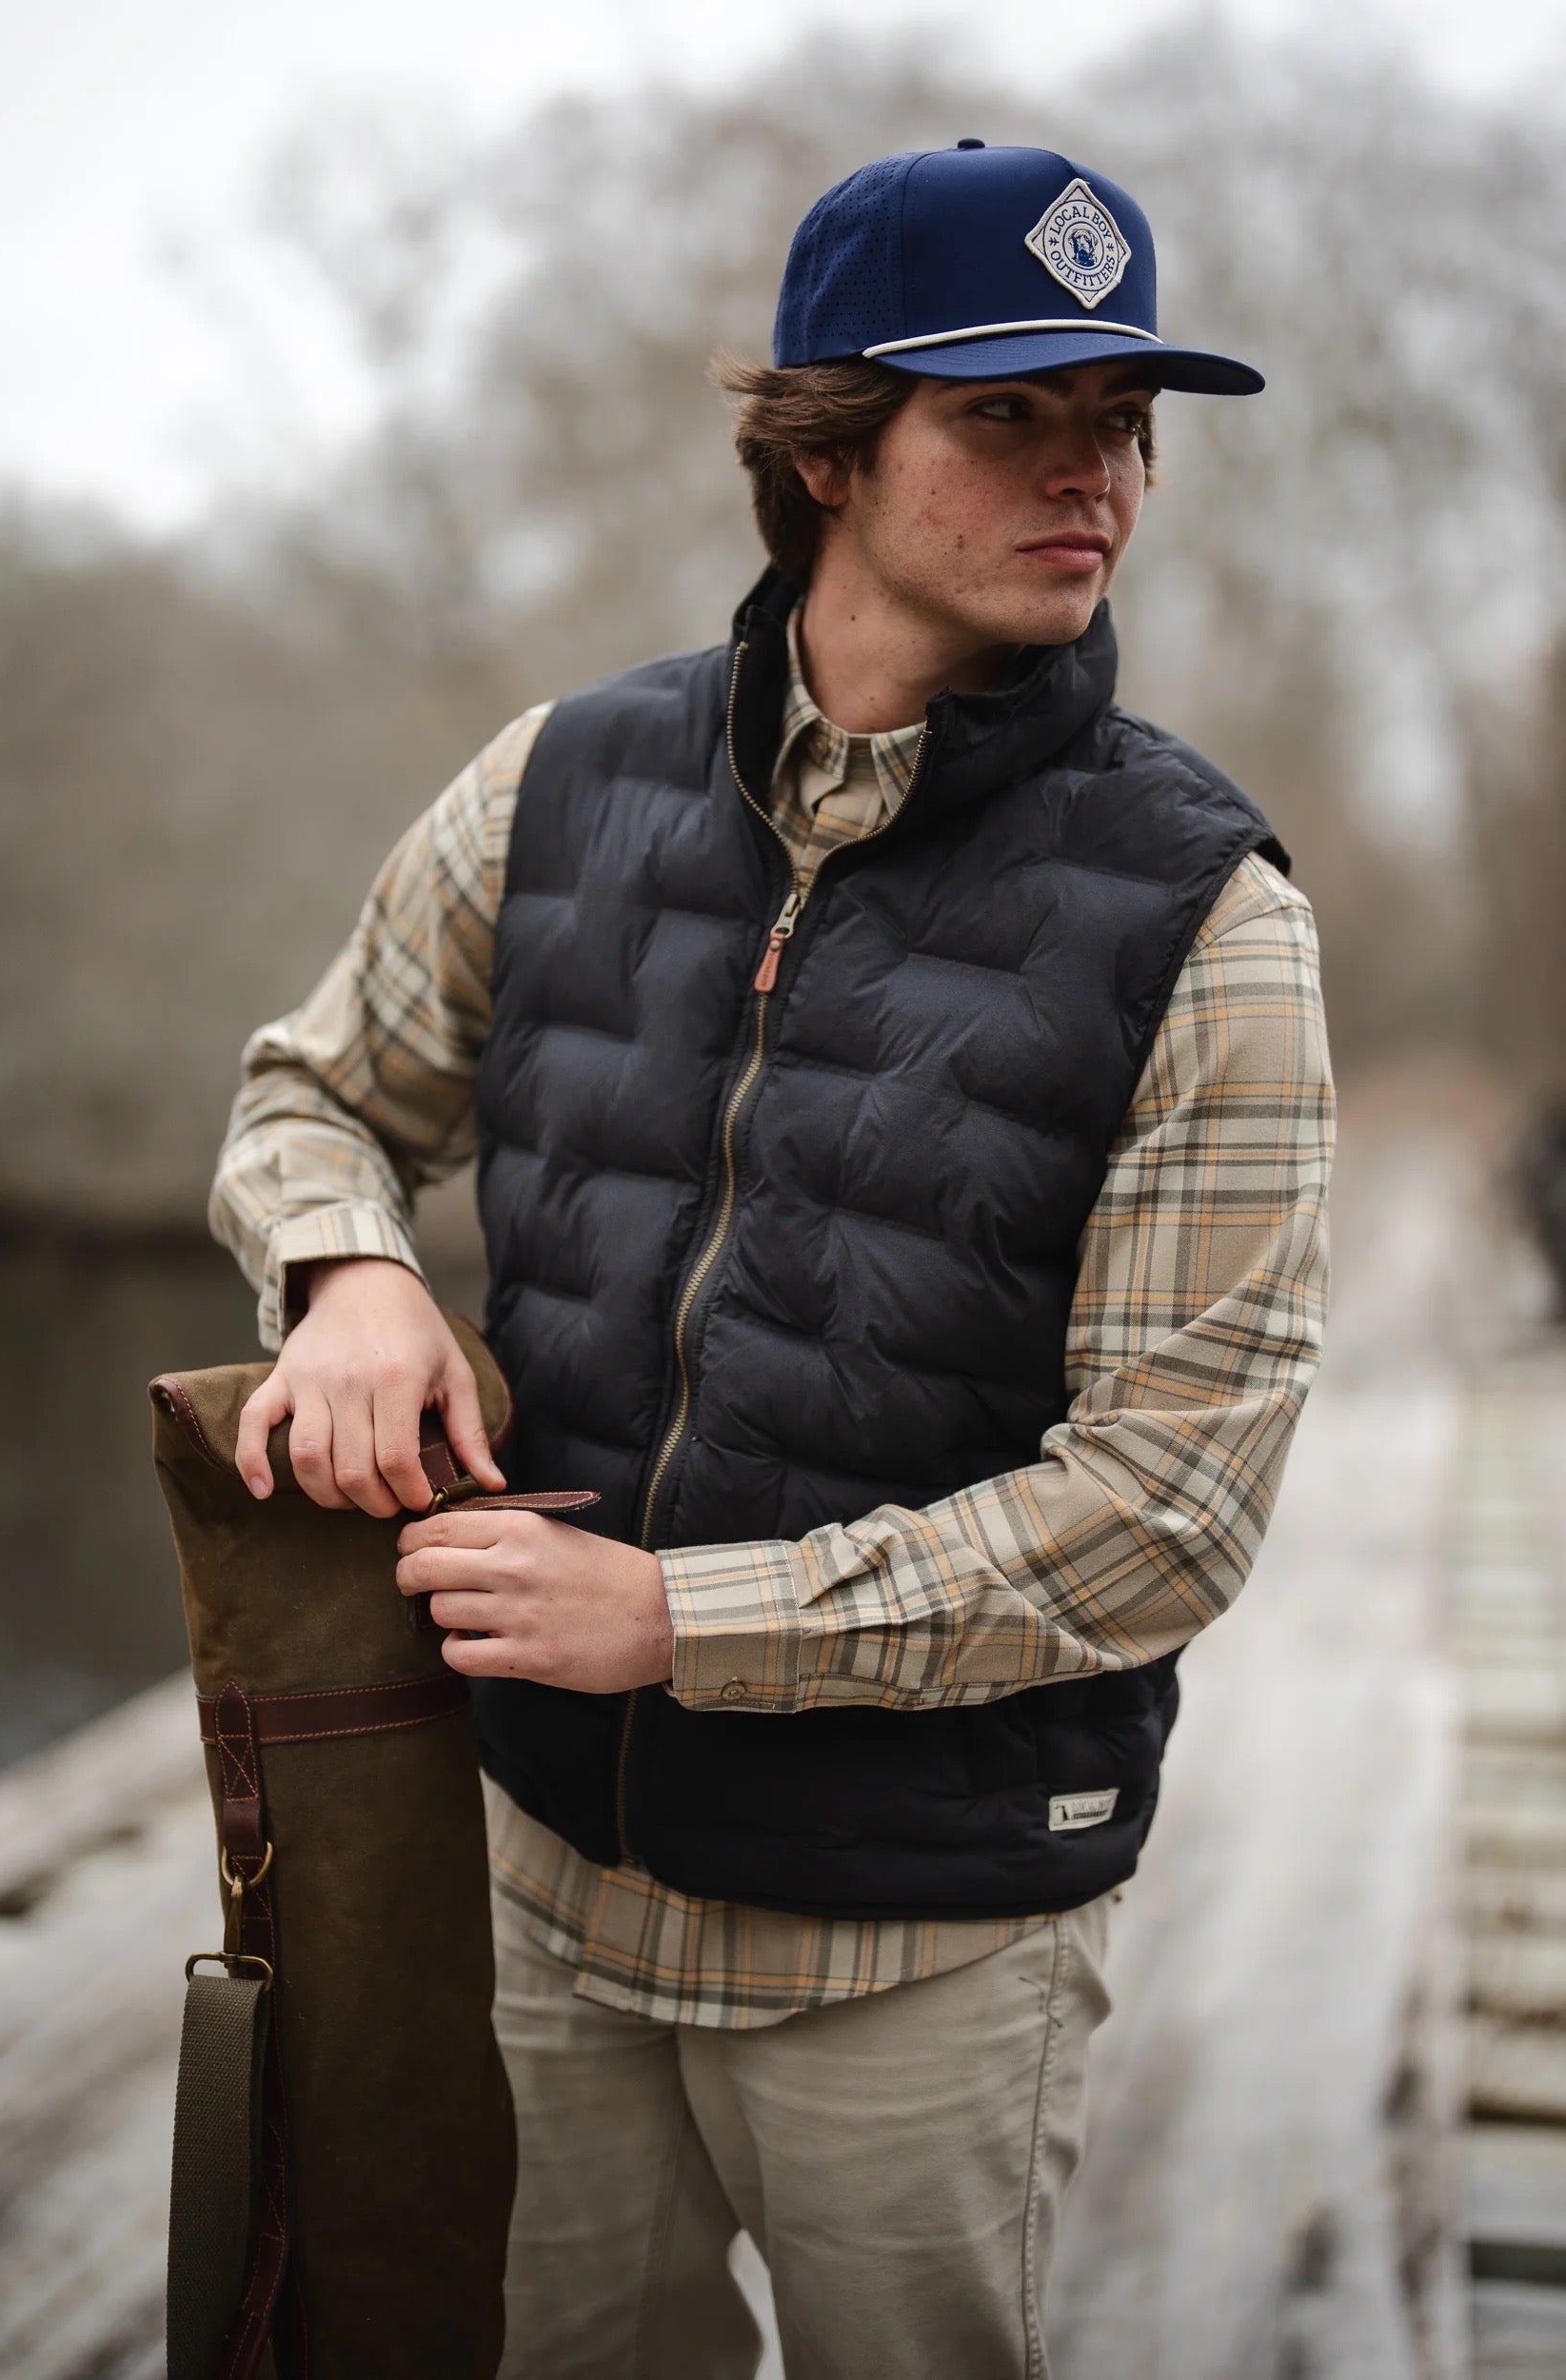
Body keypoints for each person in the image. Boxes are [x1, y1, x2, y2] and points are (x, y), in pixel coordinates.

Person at [211, 141, 1333, 2380]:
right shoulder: (561, 782)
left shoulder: (1212, 915)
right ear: (825, 450)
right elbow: (306, 1095)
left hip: (924, 1941)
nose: (1091, 471)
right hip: (535, 1876)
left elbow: (1172, 1508)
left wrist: (679, 1619)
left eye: (1122, 418)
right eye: (1012, 412)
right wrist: (348, 1271)